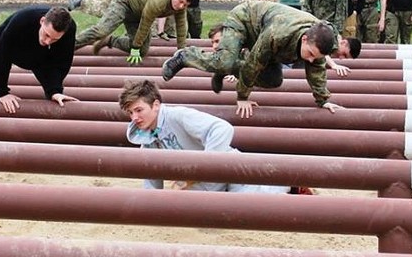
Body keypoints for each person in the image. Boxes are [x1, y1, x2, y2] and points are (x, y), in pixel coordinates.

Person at [162, 1, 360, 119]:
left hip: (269, 40)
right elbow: (253, 63)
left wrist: (323, 100)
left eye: (314, 57)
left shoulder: (320, 42)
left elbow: (317, 70)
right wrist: (242, 97)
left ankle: (225, 69)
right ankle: (186, 55)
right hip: (245, 20)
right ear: (305, 39)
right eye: (308, 54)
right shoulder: (278, 34)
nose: (309, 60)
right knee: (225, 61)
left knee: (274, 80)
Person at [119, 79, 290, 193]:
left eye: (139, 110)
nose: (135, 118)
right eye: (130, 113)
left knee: (259, 204)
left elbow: (222, 129)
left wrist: (204, 169)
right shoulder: (146, 138)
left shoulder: (178, 116)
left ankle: (290, 185)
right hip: (203, 185)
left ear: (156, 105)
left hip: (229, 172)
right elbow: (151, 176)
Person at [0, 5, 78, 114]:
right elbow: (1, 57)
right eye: (47, 35)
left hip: (42, 55)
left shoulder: (69, 30)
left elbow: (61, 63)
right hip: (11, 45)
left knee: (51, 87)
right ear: (42, 21)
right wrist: (2, 93)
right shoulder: (21, 21)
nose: (48, 41)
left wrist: (55, 91)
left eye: (54, 39)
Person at [74, 0, 194, 63]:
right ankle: (69, 45)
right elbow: (145, 24)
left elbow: (182, 27)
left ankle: (109, 41)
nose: (181, 6)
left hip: (138, 12)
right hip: (125, 2)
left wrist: (181, 51)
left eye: (185, 5)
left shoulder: (181, 7)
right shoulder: (159, 1)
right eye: (180, 1)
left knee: (143, 51)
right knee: (102, 30)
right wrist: (135, 46)